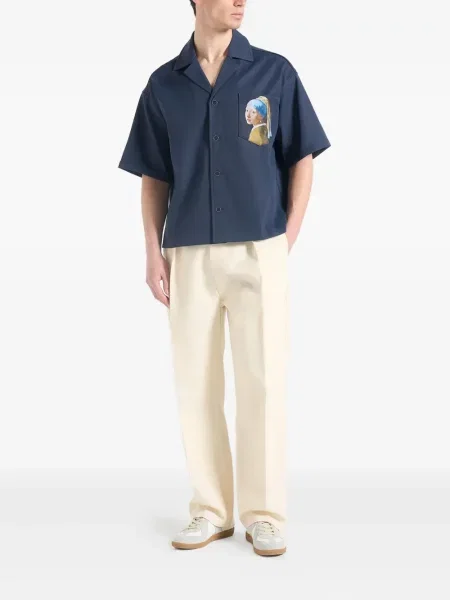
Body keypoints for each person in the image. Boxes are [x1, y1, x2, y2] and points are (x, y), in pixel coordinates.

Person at [118, 0, 330, 557]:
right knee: (196, 383)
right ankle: (210, 510)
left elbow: (302, 157)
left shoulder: (274, 73)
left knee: (263, 381)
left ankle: (264, 515)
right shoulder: (164, 85)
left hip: (259, 248)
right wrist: (152, 252)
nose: (241, 1)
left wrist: (286, 238)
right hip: (188, 252)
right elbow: (153, 176)